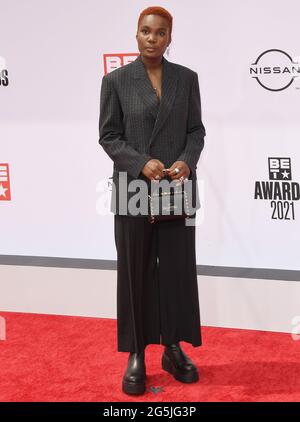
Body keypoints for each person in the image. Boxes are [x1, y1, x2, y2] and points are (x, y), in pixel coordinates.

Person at [98, 6, 206, 395]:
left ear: (170, 38)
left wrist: (185, 162)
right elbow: (109, 136)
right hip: (134, 191)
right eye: (146, 31)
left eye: (160, 33)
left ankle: (173, 346)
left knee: (176, 271)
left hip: (177, 190)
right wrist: (142, 163)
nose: (152, 38)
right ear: (136, 34)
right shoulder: (116, 81)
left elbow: (196, 132)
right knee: (135, 271)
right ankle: (137, 352)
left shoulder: (187, 79)